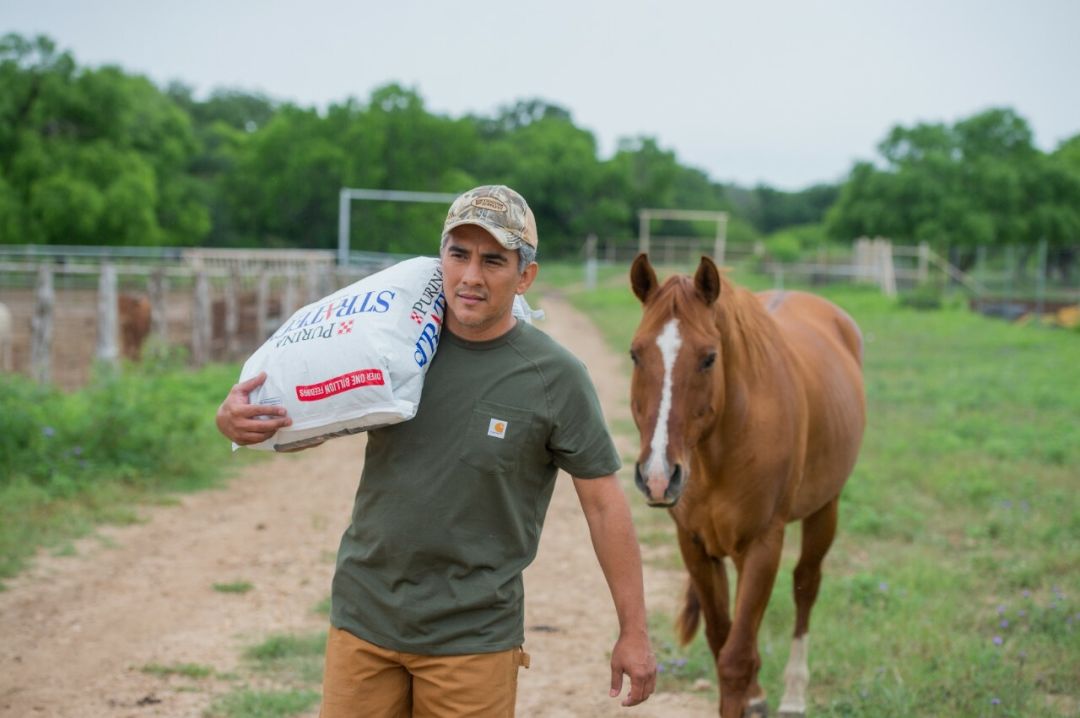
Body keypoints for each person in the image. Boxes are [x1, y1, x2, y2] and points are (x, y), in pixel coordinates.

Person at [216, 185, 657, 717]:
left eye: (494, 260)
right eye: (459, 254)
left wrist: (633, 632)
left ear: (525, 277)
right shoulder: (393, 341)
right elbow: (301, 415)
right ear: (440, 257)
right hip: (363, 618)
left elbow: (604, 505)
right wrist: (236, 421)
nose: (471, 276)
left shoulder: (555, 377)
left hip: (472, 638)